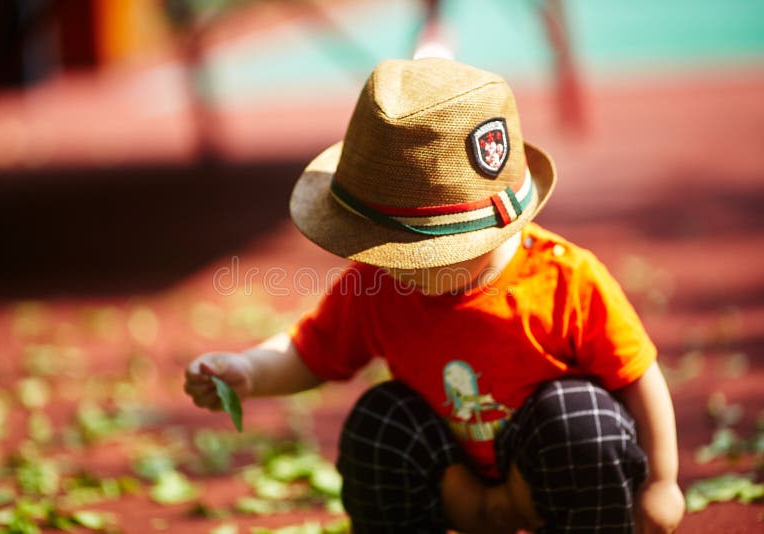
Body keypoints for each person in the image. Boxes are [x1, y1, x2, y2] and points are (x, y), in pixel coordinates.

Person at [184, 58, 684, 533]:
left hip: (542, 479)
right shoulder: (380, 284)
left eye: (407, 256)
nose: (389, 267)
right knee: (378, 422)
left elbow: (639, 378)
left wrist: (662, 483)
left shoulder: (566, 280)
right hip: (453, 477)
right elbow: (310, 350)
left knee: (582, 417)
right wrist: (247, 371)